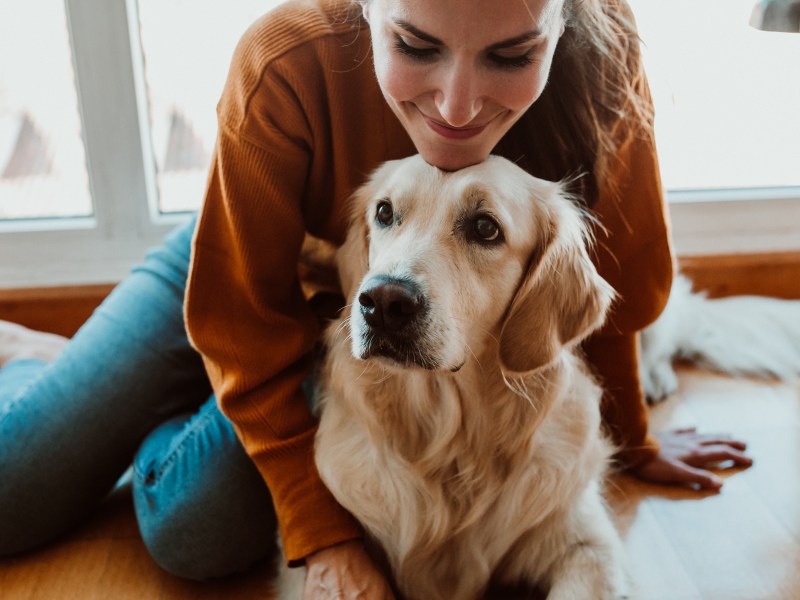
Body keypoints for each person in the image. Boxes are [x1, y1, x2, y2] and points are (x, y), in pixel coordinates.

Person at [0, 0, 752, 596]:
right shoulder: (287, 59)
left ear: (563, 21)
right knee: (17, 491)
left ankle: (133, 395)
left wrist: (632, 437)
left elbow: (608, 278)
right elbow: (238, 319)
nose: (457, 105)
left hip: (361, 314)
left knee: (199, 530)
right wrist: (323, 537)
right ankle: (59, 369)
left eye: (511, 54)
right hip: (238, 275)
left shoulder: (606, 58)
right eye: (417, 45)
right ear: (365, 10)